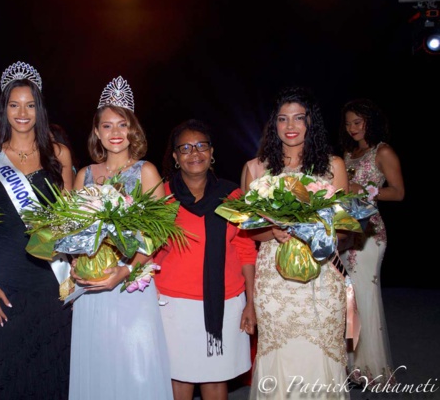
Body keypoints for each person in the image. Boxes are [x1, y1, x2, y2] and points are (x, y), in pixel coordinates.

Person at [0, 61, 74, 400]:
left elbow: (72, 222)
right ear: (5, 110)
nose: (22, 112)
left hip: (49, 279)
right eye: (14, 105)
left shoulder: (59, 154)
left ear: (39, 109)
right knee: (7, 367)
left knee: (51, 367)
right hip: (5, 281)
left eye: (30, 105)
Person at [240, 86, 350, 400]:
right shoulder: (255, 168)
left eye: (299, 118)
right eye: (283, 119)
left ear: (310, 122)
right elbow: (250, 230)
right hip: (274, 277)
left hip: (321, 274)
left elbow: (343, 230)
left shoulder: (333, 166)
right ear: (273, 125)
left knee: (318, 353)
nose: (290, 126)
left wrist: (312, 229)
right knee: (280, 354)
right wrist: (273, 232)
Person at [68, 75, 173, 400]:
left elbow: (158, 233)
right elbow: (72, 230)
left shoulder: (146, 171)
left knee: (135, 369)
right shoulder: (84, 175)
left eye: (122, 125)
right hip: (92, 287)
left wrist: (126, 270)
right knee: (97, 369)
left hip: (130, 285)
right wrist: (75, 262)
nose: (115, 133)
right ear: (97, 132)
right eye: (107, 126)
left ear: (133, 130)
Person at [154, 119, 258, 400]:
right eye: (185, 148)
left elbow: (247, 250)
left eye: (201, 146)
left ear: (212, 152)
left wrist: (251, 302)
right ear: (175, 157)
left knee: (215, 379)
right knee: (180, 380)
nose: (194, 153)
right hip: (174, 305)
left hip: (225, 303)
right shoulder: (160, 195)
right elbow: (147, 250)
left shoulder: (233, 194)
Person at [338, 98, 404, 387]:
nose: (352, 128)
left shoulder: (383, 151)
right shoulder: (349, 153)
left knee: (365, 295)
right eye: (348, 123)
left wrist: (363, 190)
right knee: (348, 297)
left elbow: (398, 192)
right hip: (346, 229)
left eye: (358, 122)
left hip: (370, 232)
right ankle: (352, 365)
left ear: (370, 121)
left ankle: (372, 369)